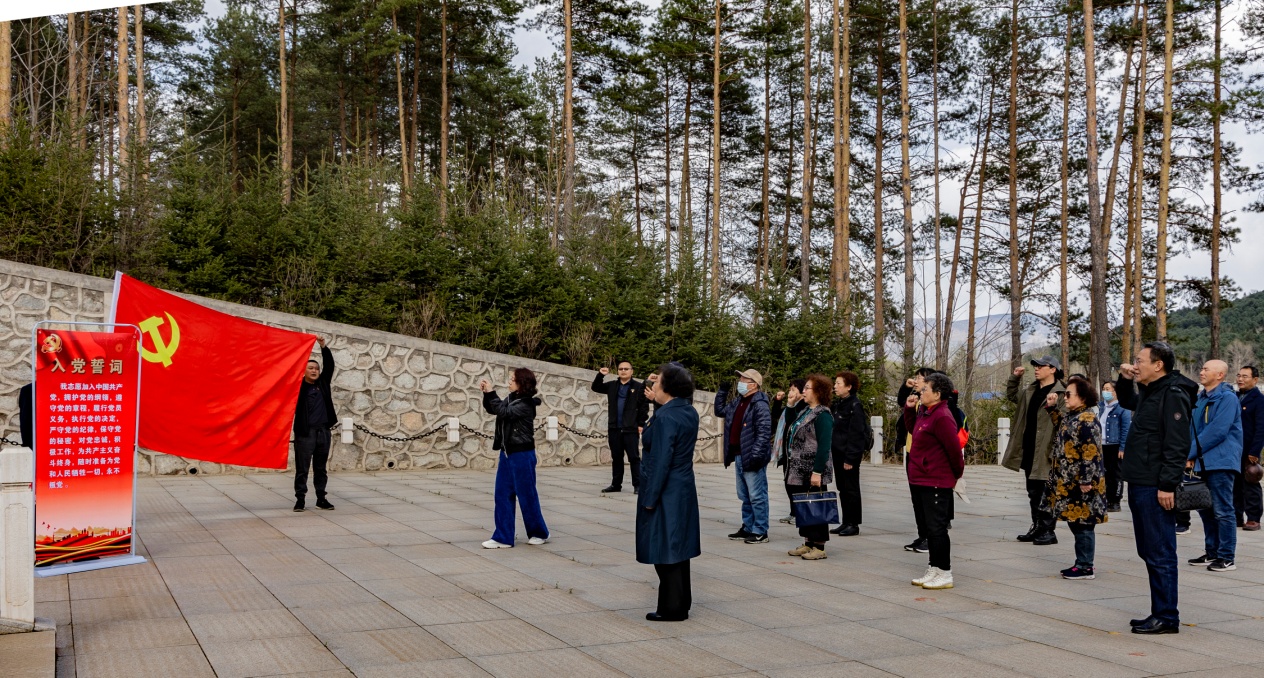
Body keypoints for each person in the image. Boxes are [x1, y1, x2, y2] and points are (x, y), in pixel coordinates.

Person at [1116, 341, 1197, 635]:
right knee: (1149, 550)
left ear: (1158, 365)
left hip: (1155, 485)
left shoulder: (1173, 394)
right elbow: (1128, 401)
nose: (1135, 364)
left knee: (1160, 552)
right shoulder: (1153, 390)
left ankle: (1167, 617)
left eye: (1140, 360)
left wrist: (1167, 485)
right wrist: (1125, 378)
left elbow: (1177, 444)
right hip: (1141, 480)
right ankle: (1160, 612)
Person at [637, 362, 701, 622]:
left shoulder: (666, 417)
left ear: (668, 387)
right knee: (678, 546)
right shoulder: (687, 410)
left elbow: (661, 460)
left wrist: (650, 498)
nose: (653, 383)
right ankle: (680, 602)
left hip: (666, 488)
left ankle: (672, 608)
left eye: (658, 380)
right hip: (682, 485)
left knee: (664, 548)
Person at [904, 372, 965, 590]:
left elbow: (954, 450)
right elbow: (914, 430)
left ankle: (945, 572)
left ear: (937, 394)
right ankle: (934, 568)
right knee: (929, 529)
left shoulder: (942, 416)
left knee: (937, 528)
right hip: (921, 478)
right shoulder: (926, 411)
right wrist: (909, 409)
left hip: (936, 480)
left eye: (925, 389)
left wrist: (955, 475)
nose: (920, 392)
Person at [1044, 376, 1107, 580]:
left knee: (1084, 524)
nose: (1065, 398)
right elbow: (1061, 425)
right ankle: (1082, 563)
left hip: (1082, 483)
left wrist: (1086, 480)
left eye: (1069, 394)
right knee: (1076, 521)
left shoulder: (1087, 419)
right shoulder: (1074, 416)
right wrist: (1052, 408)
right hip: (1071, 481)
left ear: (1082, 397)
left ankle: (1085, 566)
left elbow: (1091, 452)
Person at [481, 368, 550, 549]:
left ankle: (539, 532)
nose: (509, 382)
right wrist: (487, 394)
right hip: (506, 453)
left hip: (522, 455)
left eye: (513, 379)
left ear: (522, 383)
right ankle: (503, 537)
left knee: (527, 495)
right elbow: (494, 409)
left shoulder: (526, 403)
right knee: (502, 494)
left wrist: (492, 392)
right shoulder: (511, 399)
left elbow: (504, 412)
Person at [1001, 356, 1066, 545]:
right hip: (1029, 448)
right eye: (1035, 366)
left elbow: (1064, 421)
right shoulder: (1030, 390)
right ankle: (1037, 527)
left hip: (1047, 450)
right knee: (1033, 492)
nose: (1036, 369)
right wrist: (1015, 378)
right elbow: (1012, 396)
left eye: (1041, 366)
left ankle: (1048, 531)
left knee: (1047, 491)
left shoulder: (1062, 393)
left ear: (1053, 369)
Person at [1186, 360, 1243, 572]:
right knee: (1205, 510)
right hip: (1202, 461)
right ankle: (1212, 552)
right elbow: (1193, 429)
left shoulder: (1227, 398)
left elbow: (1217, 431)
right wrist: (1190, 455)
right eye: (1201, 368)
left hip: (1221, 461)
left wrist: (1189, 453)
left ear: (1219, 375)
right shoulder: (1201, 398)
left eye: (1206, 369)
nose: (1201, 372)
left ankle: (1227, 557)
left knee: (1223, 510)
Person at [715, 369, 773, 544]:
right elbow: (720, 411)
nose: (739, 382)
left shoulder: (759, 404)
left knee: (757, 495)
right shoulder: (739, 401)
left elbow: (764, 432)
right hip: (739, 455)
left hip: (752, 456)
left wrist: (756, 455)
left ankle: (760, 530)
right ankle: (748, 527)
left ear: (753, 385)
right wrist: (722, 392)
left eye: (743, 380)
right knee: (745, 496)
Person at [785, 374, 835, 560]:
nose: (803, 391)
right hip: (798, 470)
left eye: (807, 388)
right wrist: (790, 405)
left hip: (812, 469)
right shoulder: (806, 410)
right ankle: (808, 542)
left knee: (816, 506)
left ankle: (819, 546)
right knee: (804, 506)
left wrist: (817, 472)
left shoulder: (823, 415)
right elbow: (790, 425)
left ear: (818, 392)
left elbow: (824, 446)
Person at [591, 361, 650, 494]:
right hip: (614, 428)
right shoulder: (612, 385)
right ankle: (616, 484)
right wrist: (600, 375)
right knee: (617, 457)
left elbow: (643, 406)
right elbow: (596, 387)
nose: (623, 371)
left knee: (634, 458)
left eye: (626, 369)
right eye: (620, 369)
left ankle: (638, 485)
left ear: (632, 371)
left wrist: (641, 424)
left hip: (630, 428)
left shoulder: (638, 387)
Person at [293, 337, 337, 512]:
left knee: (321, 468)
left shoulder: (323, 384)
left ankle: (321, 499)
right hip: (305, 434)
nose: (314, 370)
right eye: (310, 368)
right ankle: (300, 500)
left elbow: (330, 365)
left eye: (316, 368)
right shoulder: (298, 387)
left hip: (323, 432)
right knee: (302, 469)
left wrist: (323, 346)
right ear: (303, 371)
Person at [831, 371, 868, 536]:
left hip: (848, 455)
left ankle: (853, 523)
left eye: (838, 383)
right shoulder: (839, 404)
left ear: (849, 387)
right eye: (835, 383)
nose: (835, 386)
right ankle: (845, 521)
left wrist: (851, 458)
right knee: (842, 488)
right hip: (838, 453)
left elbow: (857, 434)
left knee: (851, 489)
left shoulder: (855, 405)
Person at [772, 379, 808, 525]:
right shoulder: (791, 405)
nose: (790, 392)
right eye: (790, 389)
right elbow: (776, 415)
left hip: (797, 452)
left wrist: (790, 405)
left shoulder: (803, 406)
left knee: (796, 485)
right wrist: (777, 401)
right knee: (788, 483)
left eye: (794, 389)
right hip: (787, 451)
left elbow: (793, 421)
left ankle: (799, 513)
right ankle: (793, 512)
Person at [1235, 366, 1263, 531]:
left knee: (1250, 483)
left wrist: (1254, 451)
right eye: (1239, 376)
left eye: (1245, 376)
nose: (1240, 379)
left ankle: (1253, 518)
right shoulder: (1235, 397)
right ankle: (1236, 516)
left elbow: (1261, 428)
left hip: (1249, 450)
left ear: (1255, 379)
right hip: (1234, 449)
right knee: (1235, 485)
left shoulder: (1259, 400)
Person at [1098, 381, 1130, 512]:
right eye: (1104, 388)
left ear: (1115, 392)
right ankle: (1105, 499)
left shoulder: (1122, 408)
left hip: (1115, 445)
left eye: (1108, 389)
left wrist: (1122, 447)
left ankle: (1115, 501)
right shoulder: (1100, 406)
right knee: (1103, 473)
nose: (1105, 391)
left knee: (1115, 474)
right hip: (1102, 445)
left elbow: (1125, 429)